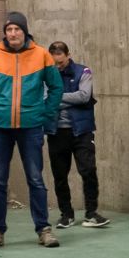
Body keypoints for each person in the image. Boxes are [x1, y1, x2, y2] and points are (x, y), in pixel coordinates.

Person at [0, 12, 63, 249]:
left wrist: (45, 114)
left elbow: (56, 88)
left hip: (31, 127)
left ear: (25, 31)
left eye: (17, 29)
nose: (13, 34)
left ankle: (43, 229)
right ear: (5, 33)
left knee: (36, 179)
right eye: (9, 30)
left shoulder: (42, 55)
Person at [45, 42, 109, 228]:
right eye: (55, 62)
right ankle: (66, 214)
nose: (58, 66)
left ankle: (91, 213)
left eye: (61, 62)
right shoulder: (46, 74)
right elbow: (43, 99)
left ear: (68, 55)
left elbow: (84, 96)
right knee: (60, 175)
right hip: (56, 132)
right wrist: (64, 98)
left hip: (81, 131)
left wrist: (56, 97)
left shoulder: (84, 71)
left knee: (88, 171)